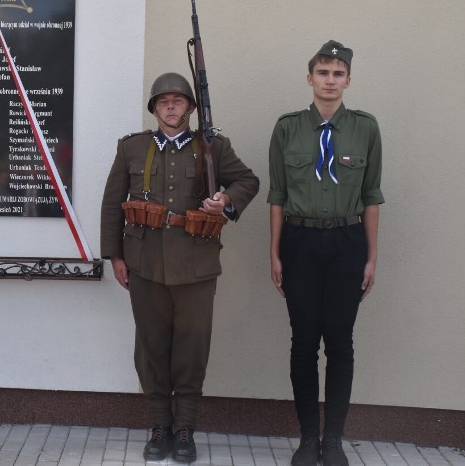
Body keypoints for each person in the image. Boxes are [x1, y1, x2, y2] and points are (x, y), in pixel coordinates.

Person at [101, 72, 259, 463]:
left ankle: (185, 428)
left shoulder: (213, 147)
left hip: (196, 265)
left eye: (178, 100)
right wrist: (116, 256)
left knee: (191, 348)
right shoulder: (131, 148)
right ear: (154, 108)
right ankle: (159, 426)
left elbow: (247, 181)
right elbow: (111, 203)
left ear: (190, 106)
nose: (171, 106)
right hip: (144, 263)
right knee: (151, 347)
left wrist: (225, 199)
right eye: (163, 100)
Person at [268, 41, 383, 466]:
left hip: (346, 243)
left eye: (338, 73)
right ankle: (307, 438)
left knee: (340, 341)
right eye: (323, 72)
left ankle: (333, 440)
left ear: (348, 80)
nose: (330, 80)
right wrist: (275, 253)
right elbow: (277, 195)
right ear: (310, 78)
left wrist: (371, 256)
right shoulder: (287, 128)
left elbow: (371, 196)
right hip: (299, 242)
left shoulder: (366, 128)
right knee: (303, 343)